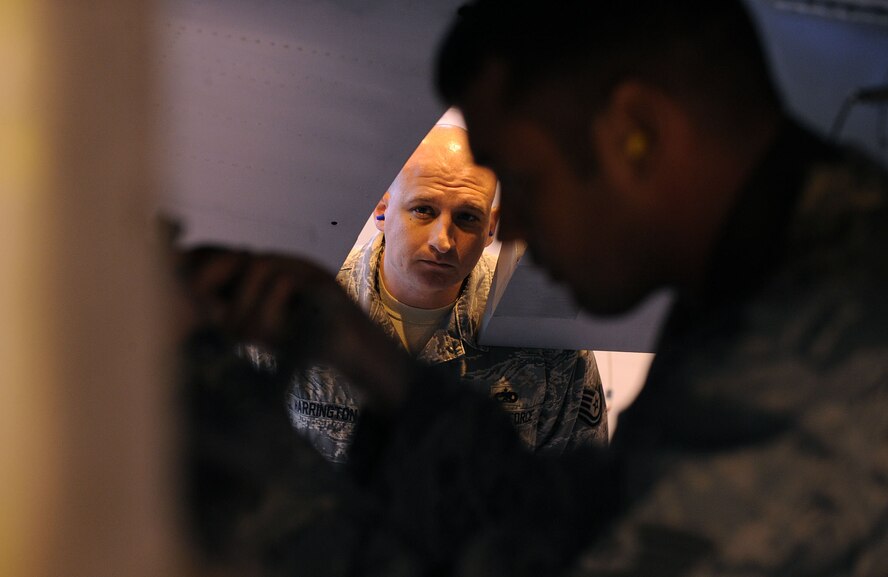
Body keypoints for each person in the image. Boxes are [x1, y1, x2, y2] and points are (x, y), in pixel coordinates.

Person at [178, 1, 888, 575]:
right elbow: (565, 527)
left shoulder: (814, 353)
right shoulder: (772, 288)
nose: (503, 228)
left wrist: (194, 394)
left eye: (518, 179)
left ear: (636, 134)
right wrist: (373, 362)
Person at [261, 123, 607, 464]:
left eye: (467, 217)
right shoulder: (295, 311)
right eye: (423, 210)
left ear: (491, 228)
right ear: (382, 210)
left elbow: (580, 495)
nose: (442, 241)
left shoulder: (542, 338)